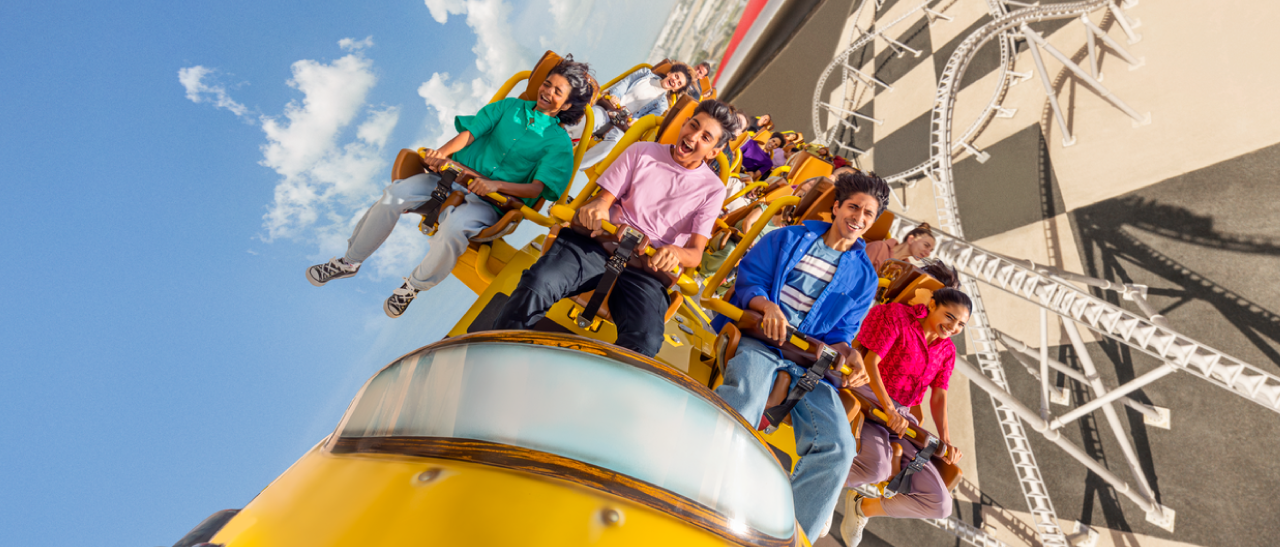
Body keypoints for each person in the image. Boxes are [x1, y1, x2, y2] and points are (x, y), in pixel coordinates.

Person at [305, 57, 595, 318]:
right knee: (394, 195)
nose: (547, 92)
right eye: (547, 84)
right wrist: (441, 154)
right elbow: (470, 134)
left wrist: (495, 184)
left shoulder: (557, 144)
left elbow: (535, 189)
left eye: (558, 92)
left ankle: (413, 286)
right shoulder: (509, 107)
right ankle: (348, 262)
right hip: (450, 180)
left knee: (454, 229)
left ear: (567, 105)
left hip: (491, 202)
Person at [712, 171, 891, 541]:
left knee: (839, 449)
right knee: (743, 399)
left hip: (810, 362)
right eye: (853, 207)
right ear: (836, 207)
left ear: (872, 222)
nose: (858, 217)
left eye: (868, 214)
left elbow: (842, 334)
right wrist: (769, 308)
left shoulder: (864, 277)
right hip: (763, 340)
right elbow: (750, 282)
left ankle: (791, 536)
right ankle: (712, 493)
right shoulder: (788, 238)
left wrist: (851, 355)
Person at [492, 99, 740, 356]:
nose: (692, 136)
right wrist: (597, 207)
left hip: (646, 268)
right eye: (693, 125)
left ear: (713, 151)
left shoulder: (712, 190)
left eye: (706, 137)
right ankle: (499, 352)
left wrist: (675, 254)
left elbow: (696, 252)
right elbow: (604, 200)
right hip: (600, 244)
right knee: (540, 282)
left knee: (645, 341)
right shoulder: (642, 151)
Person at [840, 288, 971, 546]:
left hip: (900, 416)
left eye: (961, 324)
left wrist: (945, 440)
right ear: (932, 304)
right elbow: (870, 363)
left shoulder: (947, 351)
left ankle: (861, 508)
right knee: (876, 468)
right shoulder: (896, 316)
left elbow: (939, 395)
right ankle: (814, 490)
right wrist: (888, 408)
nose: (953, 327)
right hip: (869, 398)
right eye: (949, 316)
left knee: (940, 504)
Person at [574, 63, 694, 168]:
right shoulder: (644, 73)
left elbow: (646, 118)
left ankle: (574, 166)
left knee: (614, 144)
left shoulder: (661, 104)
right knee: (593, 118)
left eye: (678, 83)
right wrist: (616, 96)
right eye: (676, 76)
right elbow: (625, 83)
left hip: (622, 124)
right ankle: (567, 138)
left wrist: (636, 121)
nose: (674, 81)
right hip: (610, 108)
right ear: (670, 73)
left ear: (676, 89)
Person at [865, 222, 937, 272]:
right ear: (911, 239)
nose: (928, 253)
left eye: (931, 250)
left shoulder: (906, 269)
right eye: (926, 245)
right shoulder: (879, 248)